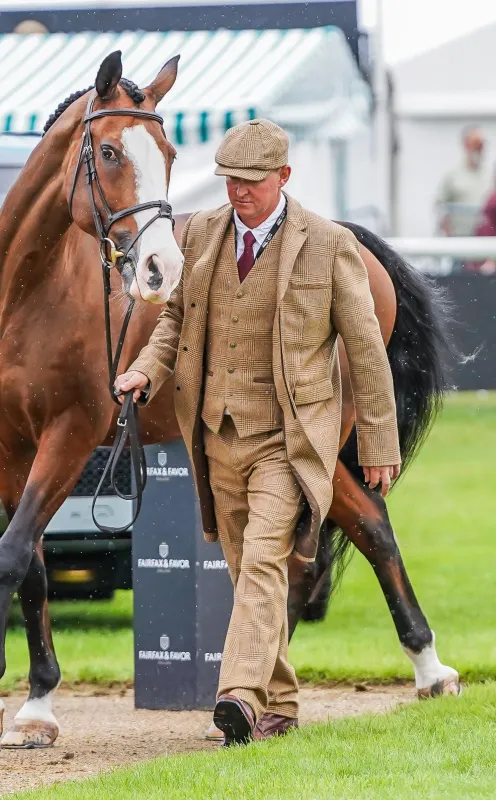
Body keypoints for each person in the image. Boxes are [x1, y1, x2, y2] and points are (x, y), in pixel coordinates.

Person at [115, 119, 400, 745]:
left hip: (290, 441)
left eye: (250, 181)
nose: (237, 192)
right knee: (247, 571)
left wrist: (378, 446)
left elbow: (366, 352)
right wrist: (141, 372)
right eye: (229, 180)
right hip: (217, 435)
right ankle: (283, 701)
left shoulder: (326, 244)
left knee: (266, 562)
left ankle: (238, 695)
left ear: (284, 177)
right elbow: (176, 322)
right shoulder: (205, 234)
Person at [435, 126, 491, 238]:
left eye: (482, 145)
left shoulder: (490, 176)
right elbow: (440, 209)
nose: (479, 149)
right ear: (465, 145)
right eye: (476, 144)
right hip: (460, 243)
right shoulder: (452, 176)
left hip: (486, 243)